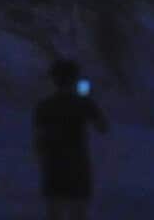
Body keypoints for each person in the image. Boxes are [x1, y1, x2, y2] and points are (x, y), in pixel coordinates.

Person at [34, 58, 110, 220]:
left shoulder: (45, 106)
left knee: (55, 210)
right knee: (78, 211)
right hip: (77, 161)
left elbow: (38, 139)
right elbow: (102, 127)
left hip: (54, 162)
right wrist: (89, 100)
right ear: (74, 79)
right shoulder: (83, 103)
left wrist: (41, 159)